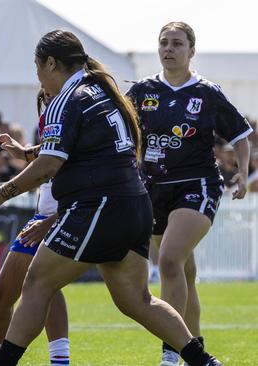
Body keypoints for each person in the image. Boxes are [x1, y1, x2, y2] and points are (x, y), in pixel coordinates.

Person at [0, 30, 222, 366]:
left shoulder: (67, 97)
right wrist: (29, 153)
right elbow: (78, 150)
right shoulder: (102, 90)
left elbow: (50, 164)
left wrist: (2, 193)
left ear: (50, 62)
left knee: (37, 282)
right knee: (137, 300)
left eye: (38, 69)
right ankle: (205, 362)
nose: (40, 78)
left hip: (99, 208)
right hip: (134, 206)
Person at [126, 22, 252, 366]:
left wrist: (242, 172)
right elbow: (115, 130)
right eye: (164, 43)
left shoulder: (207, 93)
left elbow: (240, 135)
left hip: (196, 186)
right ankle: (194, 345)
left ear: (191, 51)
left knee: (168, 261)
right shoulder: (141, 90)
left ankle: (171, 353)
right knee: (183, 272)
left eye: (177, 43)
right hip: (151, 190)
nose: (169, 49)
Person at [0, 87, 69, 366]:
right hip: (44, 216)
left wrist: (2, 192)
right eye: (43, 97)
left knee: (44, 284)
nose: (47, 98)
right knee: (0, 295)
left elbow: (77, 172)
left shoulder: (80, 113)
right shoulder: (53, 122)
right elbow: (49, 154)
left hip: (68, 216)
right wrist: (23, 152)